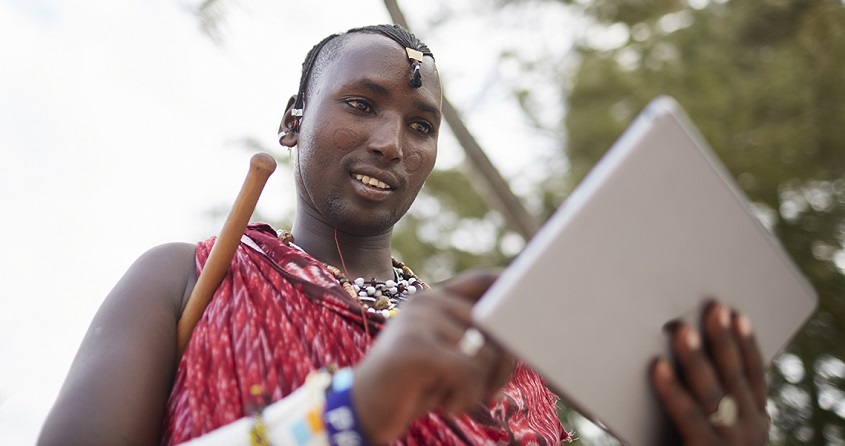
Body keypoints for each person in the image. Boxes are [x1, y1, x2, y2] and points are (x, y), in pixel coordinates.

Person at [38, 24, 770, 445]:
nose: (392, 143)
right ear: (293, 121)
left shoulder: (496, 345)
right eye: (361, 104)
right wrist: (349, 413)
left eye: (421, 126)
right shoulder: (187, 280)